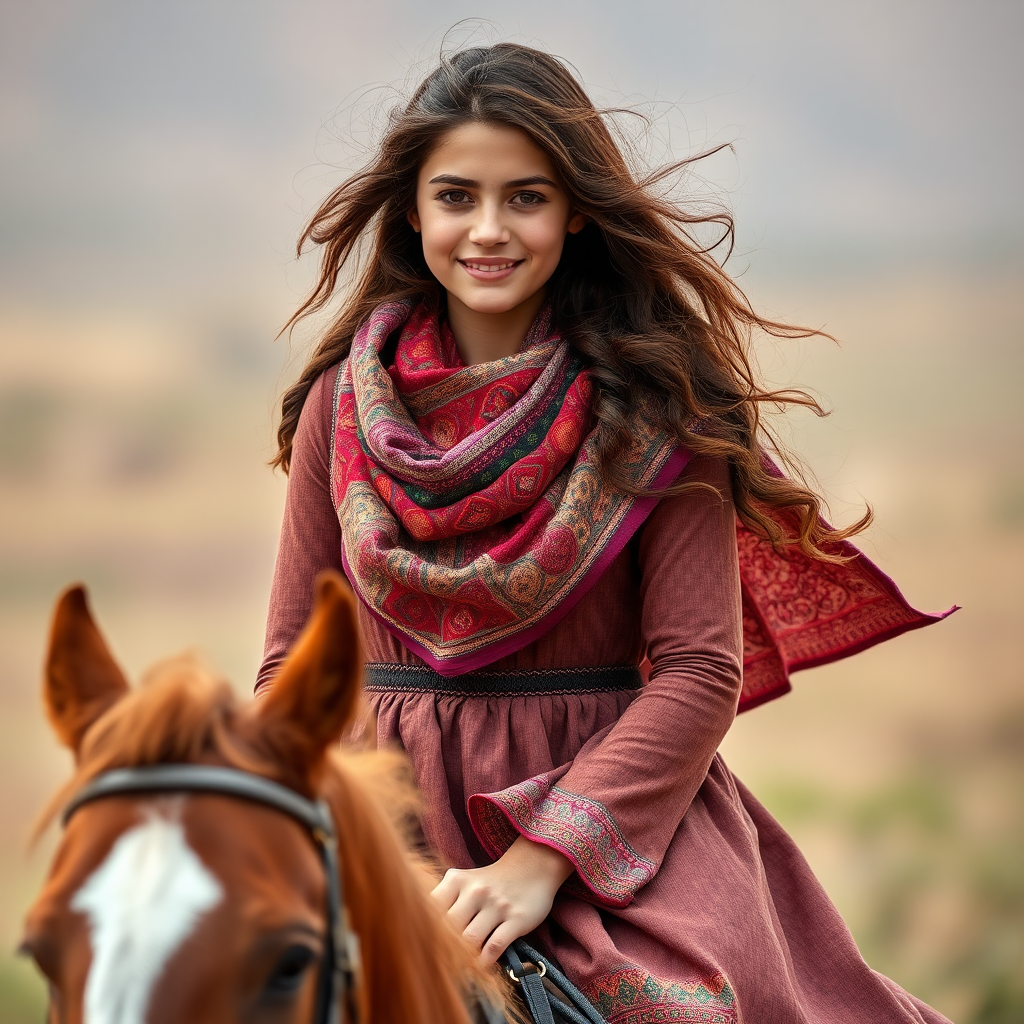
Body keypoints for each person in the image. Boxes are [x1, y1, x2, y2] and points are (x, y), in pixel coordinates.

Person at [258, 43, 954, 1023]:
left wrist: (538, 866)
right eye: (456, 197)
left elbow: (697, 671)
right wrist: (371, 859)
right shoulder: (339, 407)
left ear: (574, 209)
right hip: (379, 829)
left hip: (607, 833)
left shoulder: (654, 408)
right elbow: (290, 668)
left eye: (526, 198)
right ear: (412, 212)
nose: (488, 229)